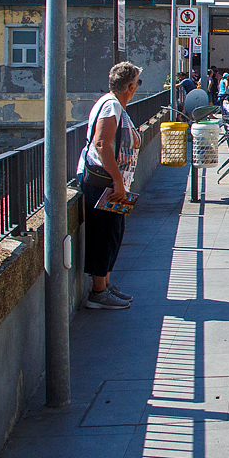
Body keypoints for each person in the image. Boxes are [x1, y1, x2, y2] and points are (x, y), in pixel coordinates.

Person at [79, 62, 142, 310]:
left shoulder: (111, 104)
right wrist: (117, 181)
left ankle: (105, 285)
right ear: (130, 86)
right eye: (137, 83)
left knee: (113, 232)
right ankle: (98, 292)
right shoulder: (111, 105)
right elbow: (102, 144)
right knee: (104, 234)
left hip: (110, 181)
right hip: (105, 182)